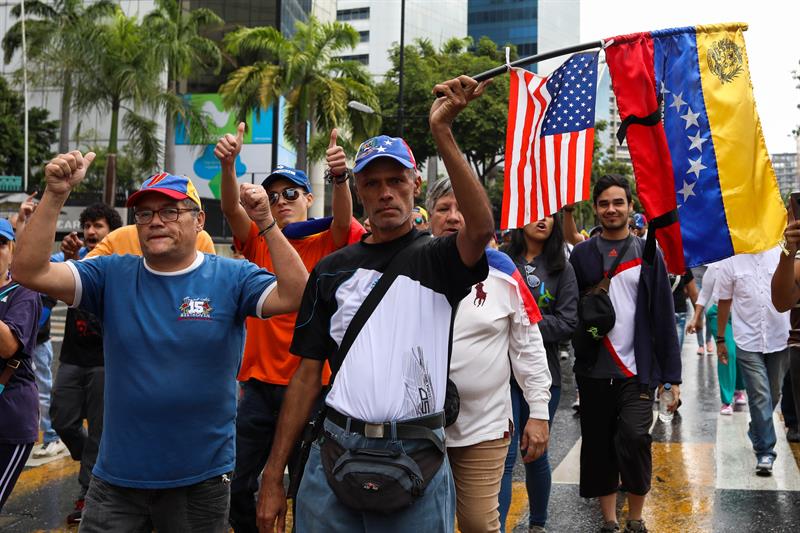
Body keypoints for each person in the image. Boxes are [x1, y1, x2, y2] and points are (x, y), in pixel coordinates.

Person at [12, 156, 309, 532]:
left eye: (170, 210)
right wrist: (56, 194)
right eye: (145, 213)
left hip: (200, 482)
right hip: (116, 481)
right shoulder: (111, 273)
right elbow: (28, 271)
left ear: (198, 220)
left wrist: (265, 222)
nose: (155, 221)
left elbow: (299, 293)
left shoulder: (232, 277)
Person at [255, 75, 495, 533]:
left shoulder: (440, 259)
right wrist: (272, 475)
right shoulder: (331, 270)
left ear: (414, 184)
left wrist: (443, 132)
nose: (386, 192)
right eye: (373, 183)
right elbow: (306, 376)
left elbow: (480, 230)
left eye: (396, 180)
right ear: (359, 191)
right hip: (332, 453)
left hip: (417, 456)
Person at [214, 123, 364, 533]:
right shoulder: (262, 237)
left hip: (313, 383)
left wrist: (339, 177)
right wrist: (228, 166)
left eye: (291, 193)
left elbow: (345, 220)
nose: (281, 201)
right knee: (238, 482)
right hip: (259, 385)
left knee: (306, 483)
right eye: (274, 194)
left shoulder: (324, 241)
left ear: (309, 198)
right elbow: (231, 210)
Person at [426, 177, 551, 533]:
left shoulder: (505, 273)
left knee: (479, 524)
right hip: (415, 431)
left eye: (463, 208)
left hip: (483, 428)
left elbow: (528, 348)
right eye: (444, 208)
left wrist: (538, 413)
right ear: (430, 216)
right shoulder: (408, 266)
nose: (453, 217)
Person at [569, 175, 681, 533]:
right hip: (594, 368)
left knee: (634, 437)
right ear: (596, 208)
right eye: (604, 203)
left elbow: (663, 314)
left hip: (637, 370)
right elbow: (572, 309)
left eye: (618, 202)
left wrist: (671, 379)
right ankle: (609, 520)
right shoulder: (583, 254)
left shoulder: (648, 251)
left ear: (631, 207)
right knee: (600, 444)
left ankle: (635, 517)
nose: (611, 209)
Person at [498, 214, 579, 533]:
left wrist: (522, 324)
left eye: (549, 215)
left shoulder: (564, 267)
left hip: (543, 376)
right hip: (500, 375)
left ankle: (538, 524)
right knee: (503, 458)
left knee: (534, 452)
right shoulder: (501, 259)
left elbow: (568, 323)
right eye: (534, 213)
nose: (542, 220)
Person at [47, 203, 122, 525]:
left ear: (112, 232)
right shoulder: (74, 266)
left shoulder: (119, 268)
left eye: (99, 226)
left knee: (100, 432)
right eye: (87, 225)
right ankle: (86, 459)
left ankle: (86, 494)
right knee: (61, 420)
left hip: (105, 363)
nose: (91, 231)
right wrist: (65, 260)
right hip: (72, 360)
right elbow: (48, 292)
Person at [10, 193, 64, 461]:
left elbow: (45, 304)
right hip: (27, 340)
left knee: (43, 389)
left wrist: (30, 331)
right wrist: (22, 219)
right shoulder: (14, 267)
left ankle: (51, 435)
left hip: (37, 342)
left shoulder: (49, 265)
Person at [0, 218, 42, 512]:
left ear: (12, 249)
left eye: (0, 244)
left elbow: (8, 346)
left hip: (9, 422)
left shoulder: (23, 292)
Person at [686, 262, 747, 415]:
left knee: (741, 352)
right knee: (729, 352)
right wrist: (695, 318)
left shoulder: (747, 263)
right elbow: (704, 294)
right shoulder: (716, 267)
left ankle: (738, 389)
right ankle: (726, 401)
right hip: (719, 315)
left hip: (742, 316)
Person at [670, 269, 699, 353]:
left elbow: (693, 293)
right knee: (675, 355)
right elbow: (693, 293)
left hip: (677, 313)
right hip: (673, 313)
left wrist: (697, 319)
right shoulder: (682, 264)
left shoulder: (653, 260)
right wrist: (697, 319)